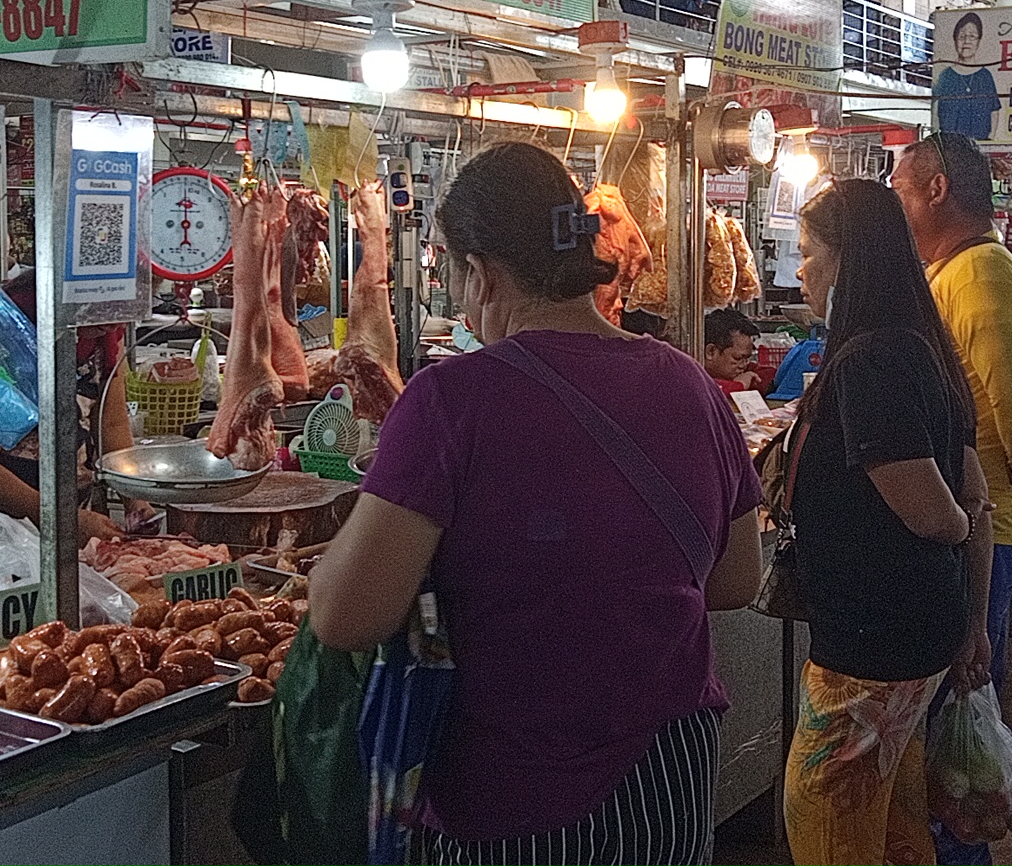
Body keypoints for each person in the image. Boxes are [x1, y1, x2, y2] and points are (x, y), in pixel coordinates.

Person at [309, 142, 762, 865]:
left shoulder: (450, 402)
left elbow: (344, 616)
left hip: (516, 789)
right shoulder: (689, 384)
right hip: (668, 775)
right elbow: (739, 578)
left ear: (481, 274)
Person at [780, 179, 991, 866]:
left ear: (851, 262)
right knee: (893, 822)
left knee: (826, 817)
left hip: (871, 645)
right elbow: (971, 494)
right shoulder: (918, 345)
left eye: (810, 253)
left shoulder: (871, 361)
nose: (801, 270)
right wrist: (972, 621)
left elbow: (937, 511)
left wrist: (956, 525)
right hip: (910, 630)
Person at [892, 134, 1012, 866]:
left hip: (979, 526)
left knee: (958, 718)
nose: (896, 202)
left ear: (936, 190)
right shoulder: (955, 272)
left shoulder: (980, 272)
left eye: (900, 187)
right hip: (972, 513)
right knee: (951, 715)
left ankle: (962, 855)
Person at [0, 270, 138, 542]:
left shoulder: (103, 342)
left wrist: (135, 501)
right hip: (1, 530)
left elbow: (111, 425)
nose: (116, 321)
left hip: (72, 516)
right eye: (105, 306)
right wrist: (61, 517)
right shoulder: (9, 341)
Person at [933, 14, 1001, 140]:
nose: (966, 41)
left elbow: (994, 111)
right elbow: (936, 112)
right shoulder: (946, 76)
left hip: (979, 147)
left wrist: (990, 141)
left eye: (972, 36)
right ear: (955, 40)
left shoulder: (985, 76)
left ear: (979, 41)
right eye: (962, 36)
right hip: (951, 147)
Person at [702, 308, 763, 396]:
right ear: (711, 351)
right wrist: (738, 386)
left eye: (746, 359)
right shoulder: (690, 374)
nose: (743, 366)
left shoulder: (745, 369)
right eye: (737, 358)